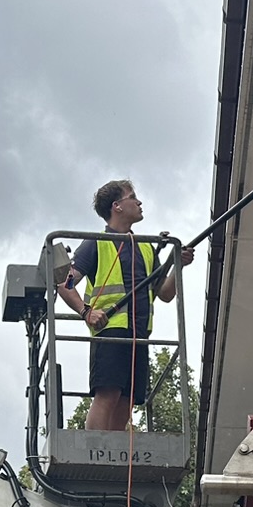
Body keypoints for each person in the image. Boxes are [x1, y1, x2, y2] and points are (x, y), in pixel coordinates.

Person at [56, 179, 194, 431]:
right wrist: (86, 312)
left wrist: (177, 264)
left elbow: (164, 293)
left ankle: (116, 457)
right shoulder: (95, 242)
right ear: (117, 206)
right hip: (110, 330)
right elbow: (63, 282)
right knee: (108, 394)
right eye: (133, 197)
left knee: (127, 400)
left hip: (139, 334)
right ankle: (96, 453)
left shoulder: (145, 246)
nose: (139, 202)